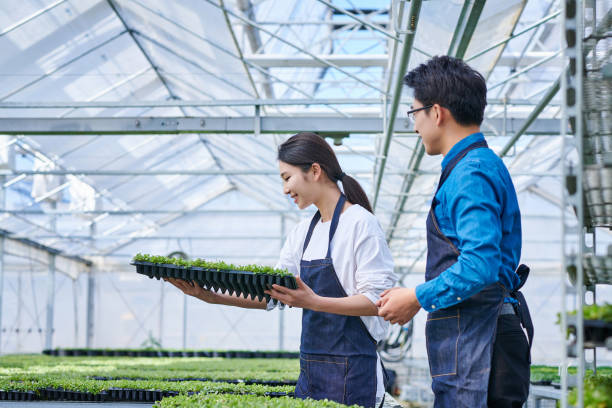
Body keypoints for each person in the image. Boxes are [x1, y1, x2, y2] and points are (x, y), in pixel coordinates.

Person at [166, 132, 397, 408]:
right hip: (311, 373)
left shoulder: (361, 224)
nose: (285, 189)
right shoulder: (302, 234)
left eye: (287, 178)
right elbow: (272, 295)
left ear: (314, 170)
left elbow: (378, 302)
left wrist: (314, 302)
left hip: (354, 375)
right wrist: (212, 296)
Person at [377, 56, 533, 408]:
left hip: (483, 348)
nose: (414, 126)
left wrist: (416, 297)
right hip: (477, 343)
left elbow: (480, 263)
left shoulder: (470, 174)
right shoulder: (471, 167)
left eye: (413, 113)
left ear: (436, 112)